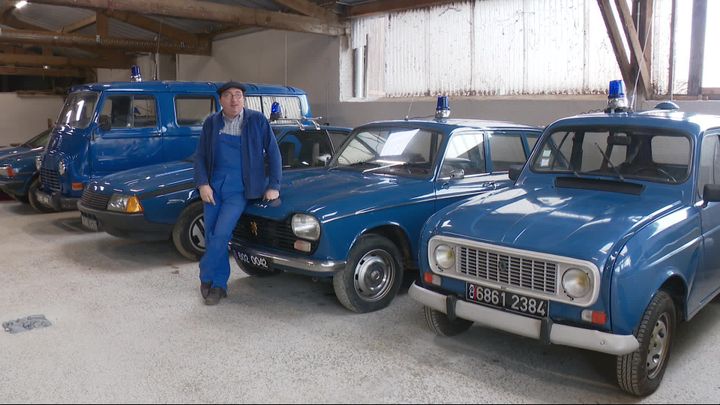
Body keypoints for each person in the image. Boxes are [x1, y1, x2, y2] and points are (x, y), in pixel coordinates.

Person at [193, 81, 282, 305]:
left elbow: (273, 153)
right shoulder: (211, 123)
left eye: (239, 95)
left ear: (243, 99)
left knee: (222, 234)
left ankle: (207, 274)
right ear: (220, 100)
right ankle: (219, 286)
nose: (234, 100)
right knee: (212, 235)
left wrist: (274, 186)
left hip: (240, 189)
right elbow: (201, 156)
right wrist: (203, 184)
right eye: (229, 95)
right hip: (213, 188)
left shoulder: (257, 121)